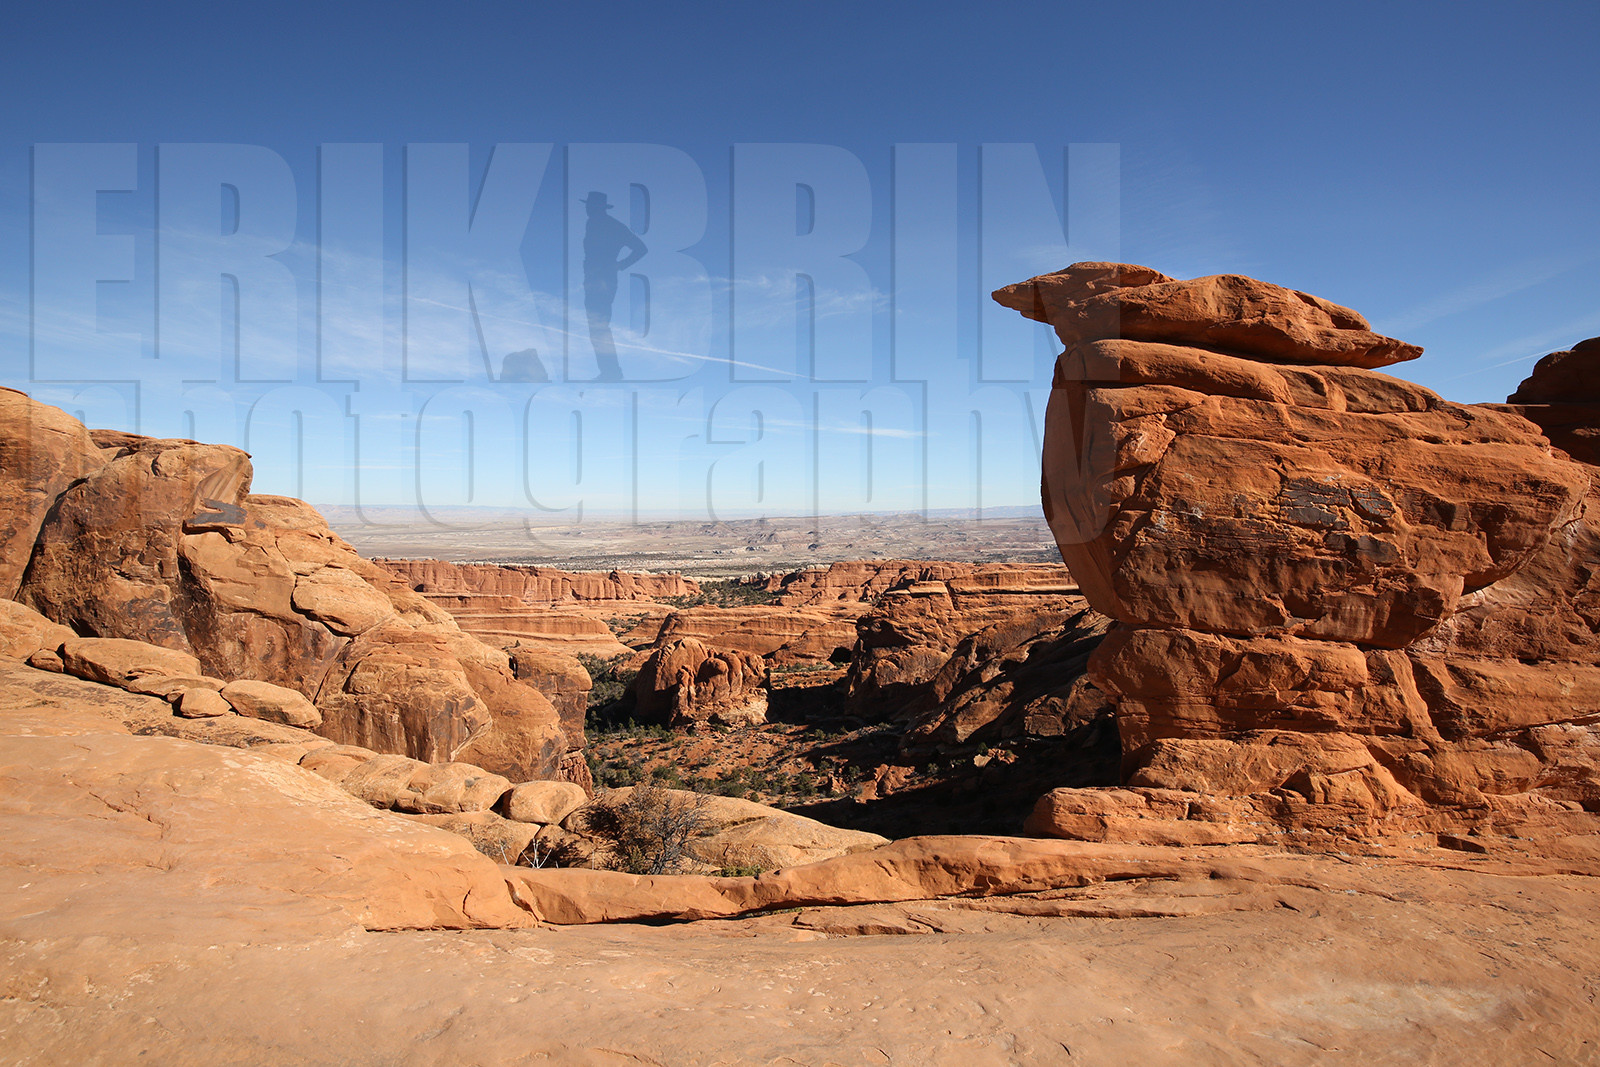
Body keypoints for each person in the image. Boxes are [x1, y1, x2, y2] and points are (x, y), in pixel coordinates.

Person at [581, 190, 647, 381]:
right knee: (596, 326)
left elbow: (641, 248)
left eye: (590, 205)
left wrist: (620, 265)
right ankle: (609, 371)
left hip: (603, 281)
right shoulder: (592, 223)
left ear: (598, 207)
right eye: (587, 205)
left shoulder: (612, 226)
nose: (587, 209)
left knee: (599, 325)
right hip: (593, 280)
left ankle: (611, 372)